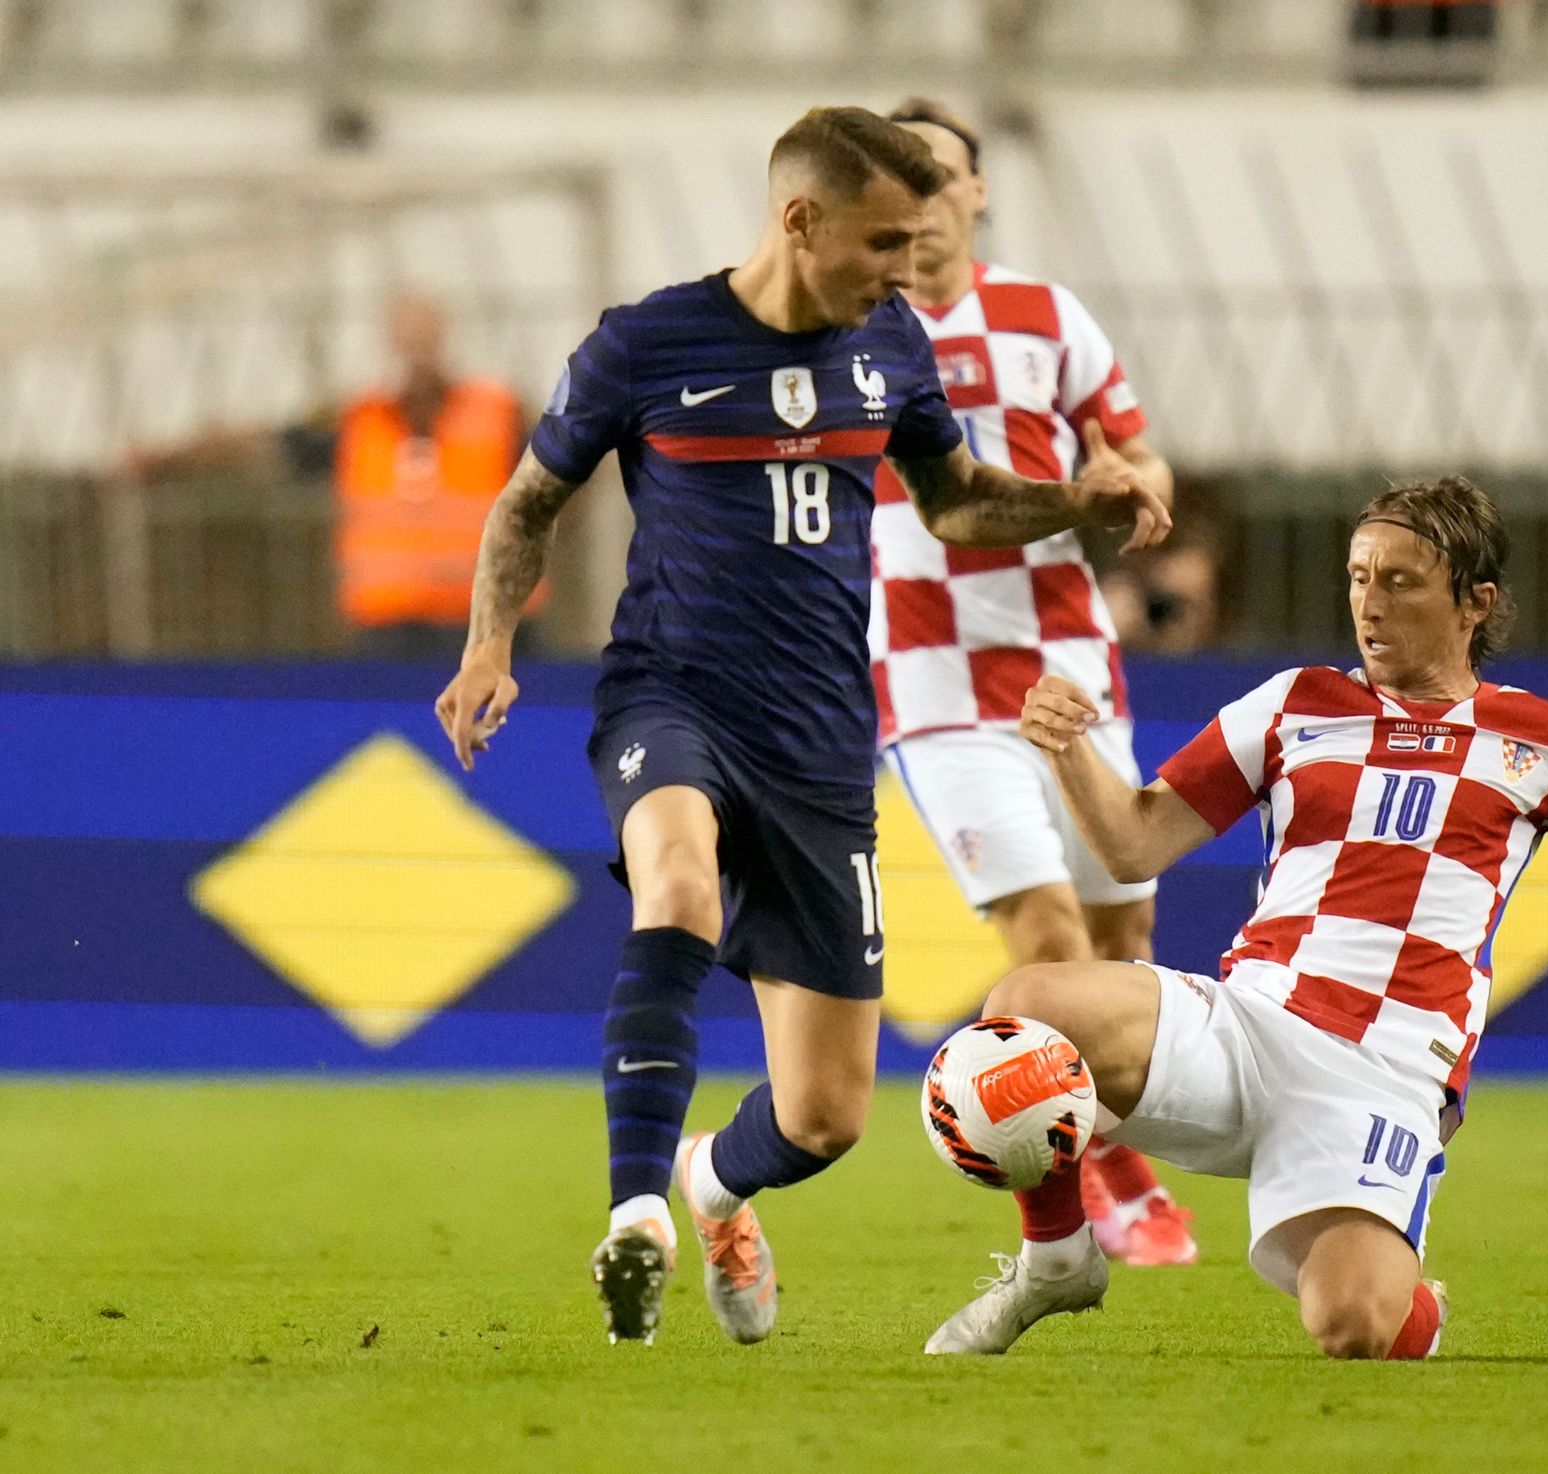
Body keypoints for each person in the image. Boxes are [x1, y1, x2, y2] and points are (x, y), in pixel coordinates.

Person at [432, 106, 1170, 1348]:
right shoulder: (645, 343)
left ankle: (711, 1183)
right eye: (881, 243)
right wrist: (487, 645)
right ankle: (633, 1216)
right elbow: (526, 505)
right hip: (669, 693)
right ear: (798, 220)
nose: (902, 270)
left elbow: (954, 504)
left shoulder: (887, 346)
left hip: (823, 738)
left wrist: (1072, 500)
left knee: (825, 1114)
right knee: (675, 885)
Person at [925, 474, 1548, 1359]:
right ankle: (1057, 1262)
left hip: (1384, 1073)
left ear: (1475, 603)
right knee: (1027, 1006)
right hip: (1249, 1024)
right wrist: (1069, 749)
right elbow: (1133, 846)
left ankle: (1410, 1289)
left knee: (1354, 1330)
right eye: (1360, 579)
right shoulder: (1294, 706)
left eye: (1401, 583)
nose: (1370, 604)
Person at [869, 96, 1196, 1265]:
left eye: (935, 176)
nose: (916, 201)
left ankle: (1108, 1139)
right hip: (931, 681)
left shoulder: (1045, 316)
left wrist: (1136, 479)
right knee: (1046, 930)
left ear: (975, 190)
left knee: (1123, 928)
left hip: (1066, 662)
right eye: (893, 180)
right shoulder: (850, 331)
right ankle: (1101, 1177)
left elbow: (1132, 441)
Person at [123, 293, 530, 661]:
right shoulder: (359, 422)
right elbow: (263, 445)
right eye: (407, 343)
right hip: (390, 631)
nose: (416, 357)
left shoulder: (498, 414)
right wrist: (166, 460)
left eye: (425, 341)